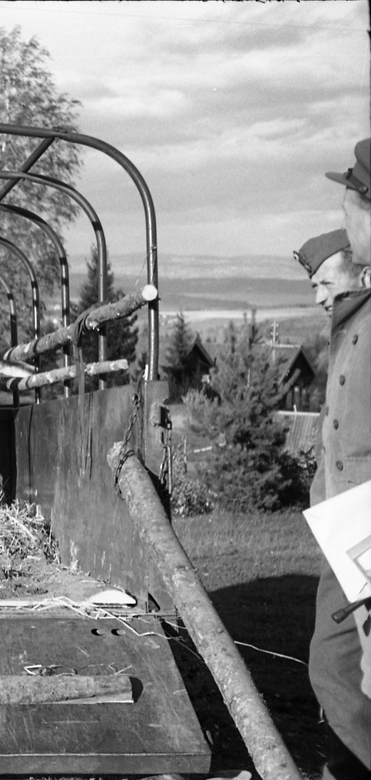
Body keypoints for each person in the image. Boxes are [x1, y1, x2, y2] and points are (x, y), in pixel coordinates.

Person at [297, 135, 371, 780]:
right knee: (339, 670)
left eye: (324, 280)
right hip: (345, 533)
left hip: (365, 536)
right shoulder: (350, 325)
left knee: (337, 669)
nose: (319, 295)